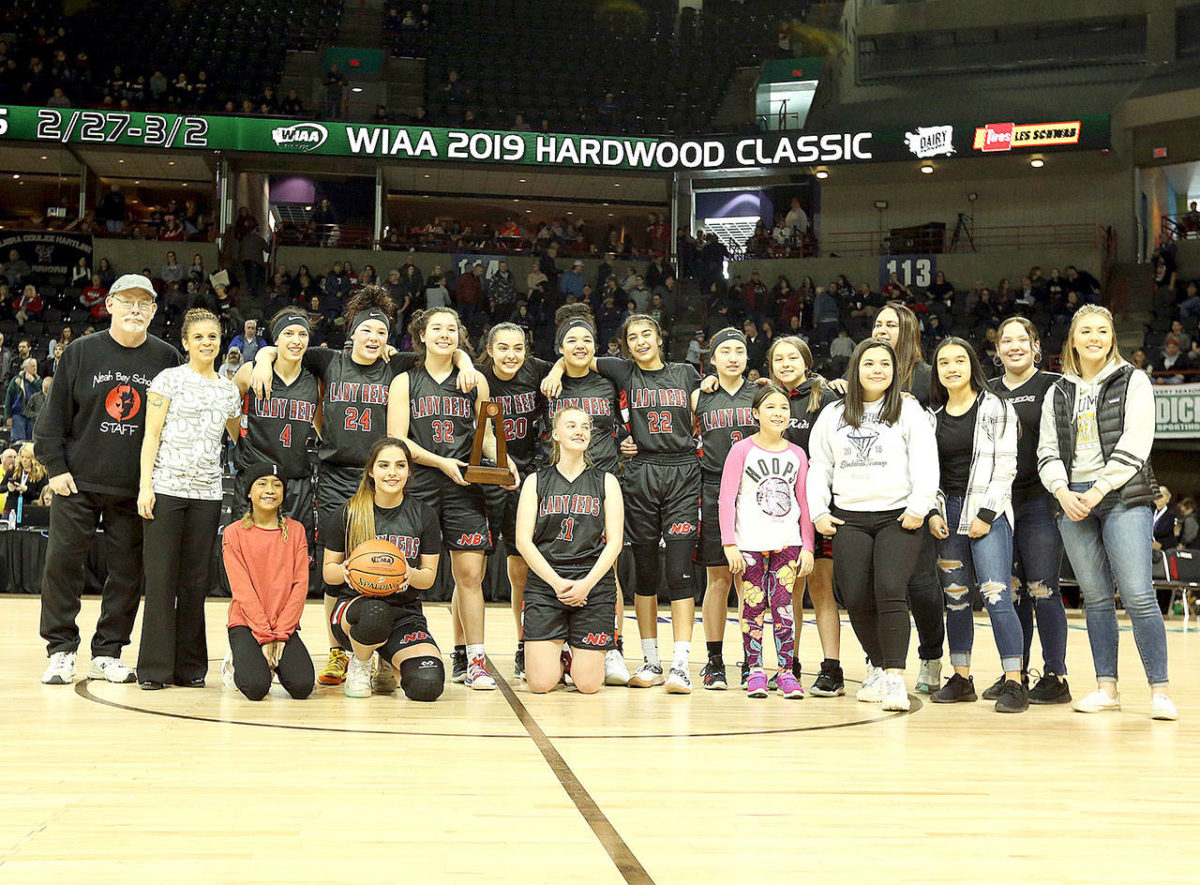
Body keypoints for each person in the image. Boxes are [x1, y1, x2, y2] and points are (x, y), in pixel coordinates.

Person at [251, 287, 475, 686]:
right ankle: (339, 650)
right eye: (366, 331)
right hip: (338, 477)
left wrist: (465, 357)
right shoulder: (328, 360)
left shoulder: (398, 367)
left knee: (383, 563)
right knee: (338, 569)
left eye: (382, 333)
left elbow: (443, 348)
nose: (374, 339)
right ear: (351, 334)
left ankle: (380, 646)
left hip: (384, 479)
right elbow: (284, 347)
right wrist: (263, 358)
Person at [35, 274, 181, 685]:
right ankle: (61, 650)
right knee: (62, 566)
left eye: (144, 304)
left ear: (153, 311)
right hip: (77, 482)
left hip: (134, 490)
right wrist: (56, 468)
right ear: (110, 305)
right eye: (128, 302)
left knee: (128, 573)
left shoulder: (166, 358)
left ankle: (107, 653)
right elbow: (52, 418)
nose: (136, 310)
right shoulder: (81, 352)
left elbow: (173, 422)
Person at [544, 313, 701, 692]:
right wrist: (554, 370)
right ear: (626, 345)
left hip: (682, 471)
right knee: (643, 571)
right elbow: (576, 355)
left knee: (679, 571)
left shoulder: (687, 374)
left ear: (660, 337)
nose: (641, 341)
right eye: (633, 337)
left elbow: (715, 399)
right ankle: (650, 660)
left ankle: (681, 664)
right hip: (640, 472)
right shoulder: (621, 371)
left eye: (647, 333)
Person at [1037, 305, 1177, 720]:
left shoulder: (1134, 380)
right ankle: (1106, 688)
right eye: (1086, 331)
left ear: (1112, 337)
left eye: (1101, 331)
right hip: (1072, 500)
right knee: (1096, 598)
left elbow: (1137, 443)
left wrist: (1097, 489)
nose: (1094, 337)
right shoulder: (1057, 390)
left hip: (1121, 496)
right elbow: (1046, 450)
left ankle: (1160, 692)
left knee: (1138, 594)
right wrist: (1062, 491)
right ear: (1074, 339)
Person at [389, 307, 518, 690]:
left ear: (459, 337)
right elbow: (398, 440)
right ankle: (389, 653)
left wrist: (504, 462)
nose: (444, 334)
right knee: (403, 575)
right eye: (437, 329)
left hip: (466, 488)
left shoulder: (475, 382)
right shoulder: (404, 382)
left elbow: (488, 435)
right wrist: (442, 462)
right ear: (422, 336)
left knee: (470, 575)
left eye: (451, 329)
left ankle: (474, 659)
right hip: (420, 487)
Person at [807, 339, 938, 712]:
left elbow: (926, 462)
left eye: (884, 363)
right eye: (869, 363)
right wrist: (819, 511)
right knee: (855, 595)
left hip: (898, 515)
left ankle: (896, 677)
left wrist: (919, 507)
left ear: (895, 370)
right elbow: (820, 466)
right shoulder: (833, 414)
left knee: (890, 588)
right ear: (856, 370)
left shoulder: (908, 411)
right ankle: (878, 667)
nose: (877, 369)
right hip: (849, 517)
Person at [136, 309, 242, 689]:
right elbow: (150, 436)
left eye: (213, 336)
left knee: (195, 582)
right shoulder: (168, 380)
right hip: (166, 489)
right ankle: (154, 669)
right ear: (185, 342)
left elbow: (235, 436)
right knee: (162, 579)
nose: (207, 343)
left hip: (208, 494)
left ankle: (191, 668)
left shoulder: (228, 389)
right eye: (199, 337)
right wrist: (145, 486)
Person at [925, 338, 1026, 712]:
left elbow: (1006, 466)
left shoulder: (996, 407)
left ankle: (1015, 681)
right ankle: (962, 677)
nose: (952, 368)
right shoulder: (929, 416)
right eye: (944, 363)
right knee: (955, 599)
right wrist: (933, 512)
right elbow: (926, 471)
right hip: (946, 513)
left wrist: (985, 515)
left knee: (997, 594)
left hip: (987, 512)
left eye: (959, 361)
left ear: (972, 366)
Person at [321, 437, 445, 701]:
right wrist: (347, 571)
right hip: (355, 611)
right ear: (371, 470)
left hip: (404, 612)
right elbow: (328, 573)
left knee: (427, 685)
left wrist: (410, 575)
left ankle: (388, 662)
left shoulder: (424, 515)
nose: (392, 472)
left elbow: (428, 579)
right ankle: (361, 664)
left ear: (409, 472)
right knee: (376, 612)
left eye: (400, 466)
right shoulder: (349, 513)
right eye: (384, 465)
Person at [545, 308, 630, 685]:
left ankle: (613, 647)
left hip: (604, 482)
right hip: (558, 483)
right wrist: (554, 370)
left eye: (586, 340)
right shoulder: (547, 384)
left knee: (608, 566)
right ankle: (548, 643)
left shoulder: (608, 377)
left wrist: (630, 441)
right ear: (558, 348)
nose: (579, 346)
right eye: (571, 341)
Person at [989, 317, 1070, 704]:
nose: (1015, 346)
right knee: (1013, 591)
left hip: (1039, 500)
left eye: (1023, 339)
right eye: (1007, 340)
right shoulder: (986, 392)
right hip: (1000, 503)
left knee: (1042, 588)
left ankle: (1055, 676)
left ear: (1036, 346)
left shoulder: (1054, 385)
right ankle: (1014, 675)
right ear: (998, 349)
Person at [515, 407, 625, 693]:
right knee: (540, 685)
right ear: (555, 434)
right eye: (572, 426)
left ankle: (572, 653)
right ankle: (560, 654)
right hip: (547, 583)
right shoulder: (536, 481)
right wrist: (558, 584)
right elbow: (523, 542)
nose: (579, 432)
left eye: (585, 427)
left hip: (592, 586)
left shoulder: (606, 481)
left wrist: (586, 585)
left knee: (588, 685)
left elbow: (615, 542)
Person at [719, 383, 815, 698]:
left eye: (784, 408)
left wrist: (809, 547)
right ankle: (755, 670)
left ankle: (786, 672)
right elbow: (726, 499)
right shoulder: (742, 450)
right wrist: (728, 542)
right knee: (753, 606)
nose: (778, 413)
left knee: (784, 606)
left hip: (787, 541)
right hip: (749, 542)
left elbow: (804, 502)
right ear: (756, 413)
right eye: (771, 407)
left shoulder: (798, 454)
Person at [477, 323, 551, 681]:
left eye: (518, 348)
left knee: (522, 568)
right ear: (489, 350)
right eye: (503, 348)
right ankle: (467, 651)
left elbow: (570, 363)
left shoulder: (537, 371)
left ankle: (524, 643)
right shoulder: (475, 376)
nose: (511, 355)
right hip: (487, 475)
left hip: (528, 475)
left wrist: (560, 369)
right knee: (472, 569)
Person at [692, 328, 758, 690]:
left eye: (739, 351)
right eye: (725, 351)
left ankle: (751, 660)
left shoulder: (761, 394)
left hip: (755, 491)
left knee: (748, 580)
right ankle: (714, 661)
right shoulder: (698, 398)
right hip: (714, 488)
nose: (733, 357)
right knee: (717, 578)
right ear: (712, 358)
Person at [221, 462, 315, 701]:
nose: (270, 490)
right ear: (249, 492)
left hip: (283, 624)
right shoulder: (234, 532)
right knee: (256, 688)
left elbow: (299, 586)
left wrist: (282, 633)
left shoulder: (296, 531)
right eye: (262, 483)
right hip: (247, 623)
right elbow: (242, 590)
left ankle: (267, 661)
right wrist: (263, 635)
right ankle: (236, 661)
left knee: (303, 686)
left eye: (277, 485)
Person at [4, 442, 48, 512]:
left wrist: (27, 490)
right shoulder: (13, 469)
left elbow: (41, 496)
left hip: (29, 509)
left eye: (28, 458)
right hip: (11, 507)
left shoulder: (41, 473)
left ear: (33, 459)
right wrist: (8, 487)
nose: (24, 460)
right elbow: (1, 488)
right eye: (22, 457)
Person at [5, 358, 39, 442]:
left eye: (36, 366)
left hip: (33, 417)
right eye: (32, 366)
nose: (35, 368)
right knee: (18, 442)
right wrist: (8, 416)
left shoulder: (38, 380)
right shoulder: (16, 380)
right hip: (18, 415)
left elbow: (43, 392)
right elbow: (9, 399)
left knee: (32, 442)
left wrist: (33, 381)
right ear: (26, 368)